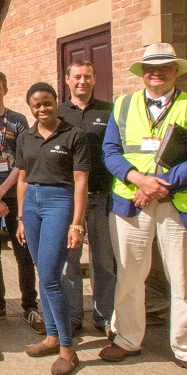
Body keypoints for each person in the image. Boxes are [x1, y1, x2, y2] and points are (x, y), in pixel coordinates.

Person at [100, 43, 187, 375]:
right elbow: (110, 151)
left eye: (164, 67)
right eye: (150, 67)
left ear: (176, 71)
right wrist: (137, 179)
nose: (157, 72)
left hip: (179, 205)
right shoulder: (123, 106)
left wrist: (161, 184)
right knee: (129, 275)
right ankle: (127, 339)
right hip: (132, 203)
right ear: (142, 72)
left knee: (183, 280)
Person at [15, 82, 90, 375]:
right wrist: (20, 217)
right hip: (31, 204)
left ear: (56, 102)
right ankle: (51, 336)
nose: (42, 109)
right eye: (36, 105)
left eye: (47, 103)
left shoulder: (74, 135)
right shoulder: (26, 137)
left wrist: (77, 224)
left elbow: (81, 181)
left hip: (59, 201)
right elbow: (22, 178)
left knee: (49, 276)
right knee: (42, 272)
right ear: (30, 108)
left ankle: (68, 351)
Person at [0, 71, 45, 335]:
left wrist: (2, 192)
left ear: (5, 89)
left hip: (17, 194)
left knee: (23, 253)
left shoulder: (18, 120)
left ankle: (29, 305)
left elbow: (22, 161)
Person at [57, 60, 116, 336]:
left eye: (88, 77)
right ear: (67, 79)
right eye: (77, 77)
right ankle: (72, 315)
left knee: (103, 260)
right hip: (68, 197)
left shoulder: (109, 111)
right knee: (69, 259)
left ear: (94, 79)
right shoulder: (57, 113)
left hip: (102, 195)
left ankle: (105, 317)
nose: (82, 81)